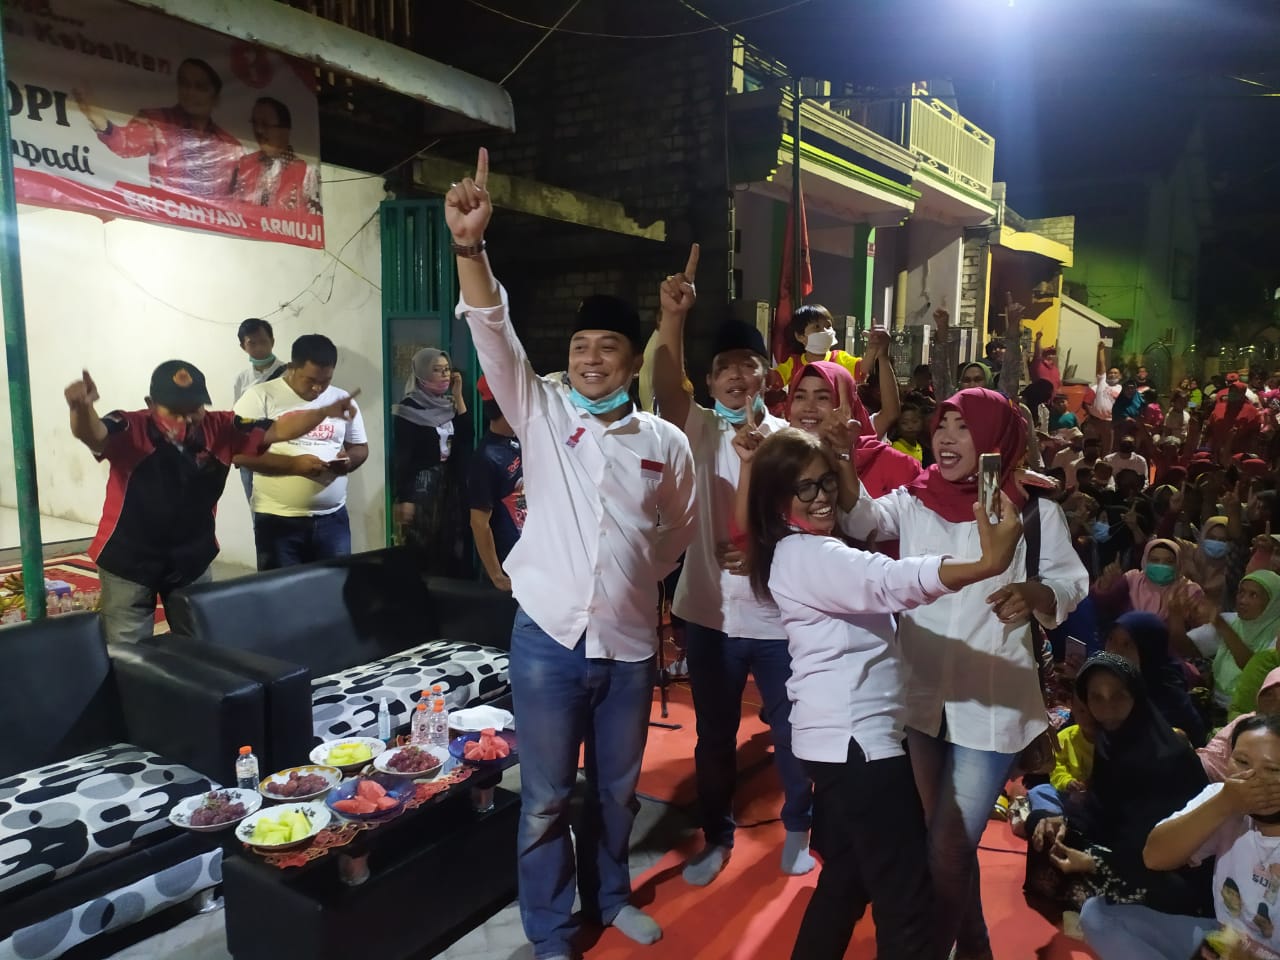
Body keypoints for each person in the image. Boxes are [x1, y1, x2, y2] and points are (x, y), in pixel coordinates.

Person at [447, 149, 697, 958]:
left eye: (608, 348)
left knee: (619, 794)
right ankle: (553, 931)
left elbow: (679, 532)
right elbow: (493, 332)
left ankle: (613, 894)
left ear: (630, 360)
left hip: (627, 648)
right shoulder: (542, 410)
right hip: (547, 641)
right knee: (547, 800)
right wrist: (471, 248)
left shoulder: (663, 442)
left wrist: (630, 579)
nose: (591, 358)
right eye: (581, 344)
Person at [742, 426, 1024, 960]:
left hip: (839, 743)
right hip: (859, 746)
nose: (822, 496)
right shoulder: (809, 555)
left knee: (848, 878)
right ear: (778, 501)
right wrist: (986, 565)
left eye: (826, 482)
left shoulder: (802, 551)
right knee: (907, 903)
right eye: (805, 488)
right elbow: (889, 579)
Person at [839, 386, 1090, 959]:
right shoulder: (915, 500)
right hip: (921, 693)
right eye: (941, 425)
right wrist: (840, 458)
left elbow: (1071, 584)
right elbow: (861, 517)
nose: (945, 437)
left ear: (996, 439)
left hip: (992, 699)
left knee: (949, 844)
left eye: (962, 426)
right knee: (942, 841)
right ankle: (974, 947)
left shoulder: (1031, 510)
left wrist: (1036, 590)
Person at [650, 255, 815, 885]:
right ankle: (715, 835)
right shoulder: (692, 428)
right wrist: (673, 316)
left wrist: (766, 549)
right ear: (712, 380)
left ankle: (798, 826)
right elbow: (668, 384)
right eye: (724, 368)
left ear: (767, 375)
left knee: (796, 729)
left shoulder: (788, 440)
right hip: (709, 615)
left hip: (778, 616)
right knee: (714, 737)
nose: (737, 376)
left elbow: (810, 521)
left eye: (748, 365)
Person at [67, 362, 359, 644]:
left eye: (194, 410)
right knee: (127, 648)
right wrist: (81, 408)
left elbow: (279, 429)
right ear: (151, 403)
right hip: (128, 559)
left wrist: (324, 412)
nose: (186, 420)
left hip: (192, 558)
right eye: (175, 412)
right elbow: (92, 433)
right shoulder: (130, 426)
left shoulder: (222, 427)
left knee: (200, 642)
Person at [1082, 714, 1280, 959]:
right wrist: (1224, 804)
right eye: (1241, 761)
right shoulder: (1224, 798)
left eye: (1272, 770)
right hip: (1222, 940)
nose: (1252, 779)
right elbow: (1155, 857)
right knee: (1099, 916)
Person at [1027, 654, 1210, 917]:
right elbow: (1100, 809)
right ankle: (1098, 903)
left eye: (1119, 695)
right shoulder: (1108, 742)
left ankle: (1103, 907)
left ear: (1137, 696)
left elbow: (1163, 849)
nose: (1107, 707)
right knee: (1041, 826)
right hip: (1115, 848)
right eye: (1096, 697)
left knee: (1162, 889)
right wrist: (1064, 822)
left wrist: (1096, 863)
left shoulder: (1169, 755)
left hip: (1165, 867)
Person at [234, 334, 368, 570]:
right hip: (278, 521)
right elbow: (240, 455)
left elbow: (360, 448)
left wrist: (348, 461)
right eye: (311, 380)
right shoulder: (259, 398)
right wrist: (294, 466)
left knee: (335, 593)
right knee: (282, 597)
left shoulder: (341, 399)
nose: (318, 387)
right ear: (292, 368)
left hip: (332, 520)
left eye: (326, 380)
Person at [74, 58, 241, 198]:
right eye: (184, 84)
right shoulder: (157, 121)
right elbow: (124, 143)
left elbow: (238, 199)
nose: (190, 92)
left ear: (216, 98)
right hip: (166, 225)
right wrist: (99, 120)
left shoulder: (231, 147)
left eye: (200, 87)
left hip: (214, 232)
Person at [392, 346, 473, 575]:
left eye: (447, 369)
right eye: (437, 370)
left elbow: (467, 435)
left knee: (451, 543)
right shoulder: (408, 409)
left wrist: (458, 395)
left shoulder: (448, 405)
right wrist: (405, 497)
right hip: (422, 485)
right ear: (422, 375)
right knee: (423, 546)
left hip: (449, 484)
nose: (445, 375)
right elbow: (403, 456)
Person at [1105, 611, 1206, 746]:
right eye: (1111, 639)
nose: (1113, 651)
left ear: (1147, 651)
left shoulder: (1168, 698)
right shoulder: (1110, 676)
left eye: (1126, 645)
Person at [1187, 571, 1280, 711]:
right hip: (1216, 704)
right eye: (1241, 593)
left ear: (1273, 602)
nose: (1242, 600)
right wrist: (1175, 616)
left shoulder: (1277, 632)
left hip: (1252, 711)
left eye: (1253, 595)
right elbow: (1186, 647)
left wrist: (1222, 627)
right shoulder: (1231, 620)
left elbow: (1255, 670)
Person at [466, 376, 524, 591]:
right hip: (508, 564)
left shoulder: (520, 439)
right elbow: (479, 523)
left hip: (528, 554)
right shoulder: (486, 458)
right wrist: (497, 576)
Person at [228, 96, 320, 212]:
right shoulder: (244, 165)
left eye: (265, 125)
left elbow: (312, 221)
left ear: (285, 130)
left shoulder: (307, 172)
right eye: (255, 123)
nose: (259, 131)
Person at [232, 317, 286, 503]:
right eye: (252, 343)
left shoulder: (289, 374)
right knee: (257, 510)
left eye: (263, 341)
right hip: (251, 454)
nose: (259, 348)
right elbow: (237, 419)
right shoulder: (242, 379)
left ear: (272, 341)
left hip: (281, 451)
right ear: (242, 346)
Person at [1199, 667, 1280, 781]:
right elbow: (1212, 759)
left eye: (1273, 769)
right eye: (1269, 694)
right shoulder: (1247, 723)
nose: (1277, 702)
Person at [774, 304, 861, 387]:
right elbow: (773, 379)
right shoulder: (793, 364)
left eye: (828, 326)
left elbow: (862, 369)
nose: (824, 331)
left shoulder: (839, 358)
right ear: (800, 336)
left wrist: (872, 348)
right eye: (817, 327)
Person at [1090, 342, 1123, 453]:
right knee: (1091, 448)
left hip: (1110, 424)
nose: (1112, 375)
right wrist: (1101, 350)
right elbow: (1101, 367)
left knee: (1107, 450)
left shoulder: (1122, 390)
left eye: (1115, 373)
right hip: (1095, 422)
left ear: (1120, 376)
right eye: (1110, 372)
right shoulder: (1102, 383)